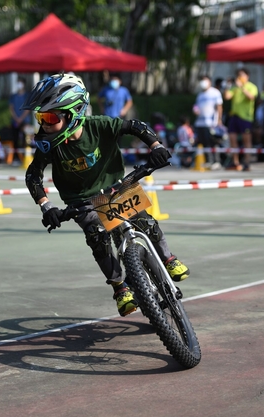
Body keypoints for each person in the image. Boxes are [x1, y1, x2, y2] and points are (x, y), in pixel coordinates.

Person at [23, 73, 189, 317]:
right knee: (97, 238)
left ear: (73, 113)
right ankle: (120, 288)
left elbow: (136, 126)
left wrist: (156, 147)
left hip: (116, 187)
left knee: (144, 222)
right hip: (82, 201)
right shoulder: (51, 146)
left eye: (49, 118)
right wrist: (46, 206)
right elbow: (33, 175)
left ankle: (168, 258)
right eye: (41, 118)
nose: (44, 125)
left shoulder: (98, 125)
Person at [223, 68, 258, 171]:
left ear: (247, 76)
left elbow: (251, 97)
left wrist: (242, 87)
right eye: (238, 75)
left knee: (246, 140)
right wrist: (228, 85)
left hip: (246, 117)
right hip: (234, 116)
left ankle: (247, 162)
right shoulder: (235, 88)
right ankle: (235, 162)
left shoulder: (251, 86)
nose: (240, 77)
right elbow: (227, 97)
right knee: (232, 139)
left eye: (242, 75)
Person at [193, 75, 223, 168]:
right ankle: (209, 161)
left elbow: (219, 106)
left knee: (213, 142)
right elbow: (196, 106)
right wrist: (195, 110)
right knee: (204, 143)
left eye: (205, 80)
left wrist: (219, 119)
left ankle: (216, 161)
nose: (203, 82)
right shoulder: (200, 95)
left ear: (210, 81)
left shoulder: (215, 92)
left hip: (211, 123)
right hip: (200, 123)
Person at [9, 76, 32, 165]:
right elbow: (11, 108)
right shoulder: (13, 96)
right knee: (15, 139)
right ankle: (16, 157)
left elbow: (28, 109)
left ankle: (25, 157)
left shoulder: (27, 96)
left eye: (20, 82)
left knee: (25, 139)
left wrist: (21, 118)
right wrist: (16, 118)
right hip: (15, 121)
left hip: (25, 121)